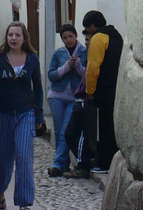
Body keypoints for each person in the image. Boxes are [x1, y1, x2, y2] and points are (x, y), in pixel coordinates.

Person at [0, 22, 44, 210]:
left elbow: (38, 89)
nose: (13, 38)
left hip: (25, 114)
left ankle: (24, 203)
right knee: (2, 160)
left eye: (17, 35)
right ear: (6, 37)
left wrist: (39, 115)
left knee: (24, 157)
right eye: (10, 35)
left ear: (24, 38)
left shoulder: (32, 59)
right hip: (2, 115)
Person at [81, 10, 123, 174]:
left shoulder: (99, 38)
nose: (88, 31)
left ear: (92, 25)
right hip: (116, 88)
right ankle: (113, 161)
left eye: (87, 27)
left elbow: (93, 67)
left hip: (103, 89)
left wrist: (90, 91)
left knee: (103, 128)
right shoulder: (116, 36)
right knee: (112, 127)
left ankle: (104, 162)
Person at [45, 24, 87, 177]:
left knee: (65, 131)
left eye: (70, 36)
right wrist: (66, 68)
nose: (68, 40)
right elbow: (51, 75)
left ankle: (57, 163)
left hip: (74, 98)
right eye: (65, 37)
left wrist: (78, 66)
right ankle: (63, 164)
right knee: (58, 131)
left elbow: (87, 74)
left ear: (76, 36)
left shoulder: (84, 52)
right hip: (57, 96)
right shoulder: (58, 53)